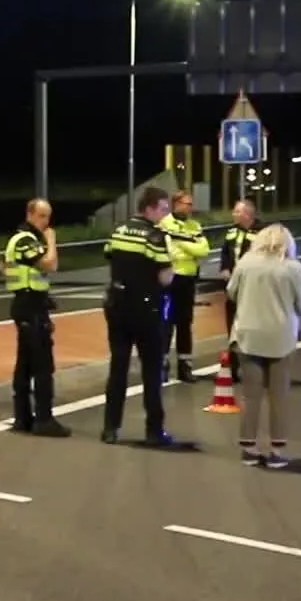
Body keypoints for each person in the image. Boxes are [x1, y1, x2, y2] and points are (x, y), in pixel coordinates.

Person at [227, 224, 301, 468]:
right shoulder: (293, 267)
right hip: (281, 337)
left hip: (248, 335)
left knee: (250, 395)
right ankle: (276, 450)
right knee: (278, 396)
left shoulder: (245, 262)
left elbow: (231, 292)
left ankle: (249, 448)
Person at [100, 186, 176, 446]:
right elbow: (165, 277)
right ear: (150, 208)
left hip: (117, 305)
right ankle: (154, 431)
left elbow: (109, 255)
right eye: (163, 209)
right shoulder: (155, 236)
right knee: (152, 371)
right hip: (145, 309)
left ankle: (110, 428)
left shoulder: (119, 230)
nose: (165, 215)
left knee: (118, 368)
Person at [3, 198, 69, 437]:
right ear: (30, 214)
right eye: (42, 216)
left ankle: (23, 417)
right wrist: (51, 240)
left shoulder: (26, 239)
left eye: (48, 216)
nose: (46, 221)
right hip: (29, 306)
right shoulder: (25, 240)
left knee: (26, 363)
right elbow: (50, 264)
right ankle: (43, 419)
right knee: (42, 365)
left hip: (30, 304)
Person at [156, 189, 211, 382]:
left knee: (185, 324)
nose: (190, 208)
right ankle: (162, 365)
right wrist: (189, 247)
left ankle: (184, 366)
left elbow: (203, 250)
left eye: (191, 204)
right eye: (187, 204)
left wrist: (181, 243)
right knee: (166, 323)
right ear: (176, 204)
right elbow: (170, 251)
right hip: (170, 279)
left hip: (188, 279)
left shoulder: (194, 225)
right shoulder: (164, 224)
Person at [217, 198, 262, 368]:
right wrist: (224, 268)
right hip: (233, 286)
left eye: (237, 211)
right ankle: (234, 365)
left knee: (251, 324)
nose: (233, 214)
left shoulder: (262, 232)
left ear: (248, 214)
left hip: (253, 287)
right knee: (232, 324)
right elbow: (225, 252)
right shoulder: (231, 231)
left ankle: (254, 361)